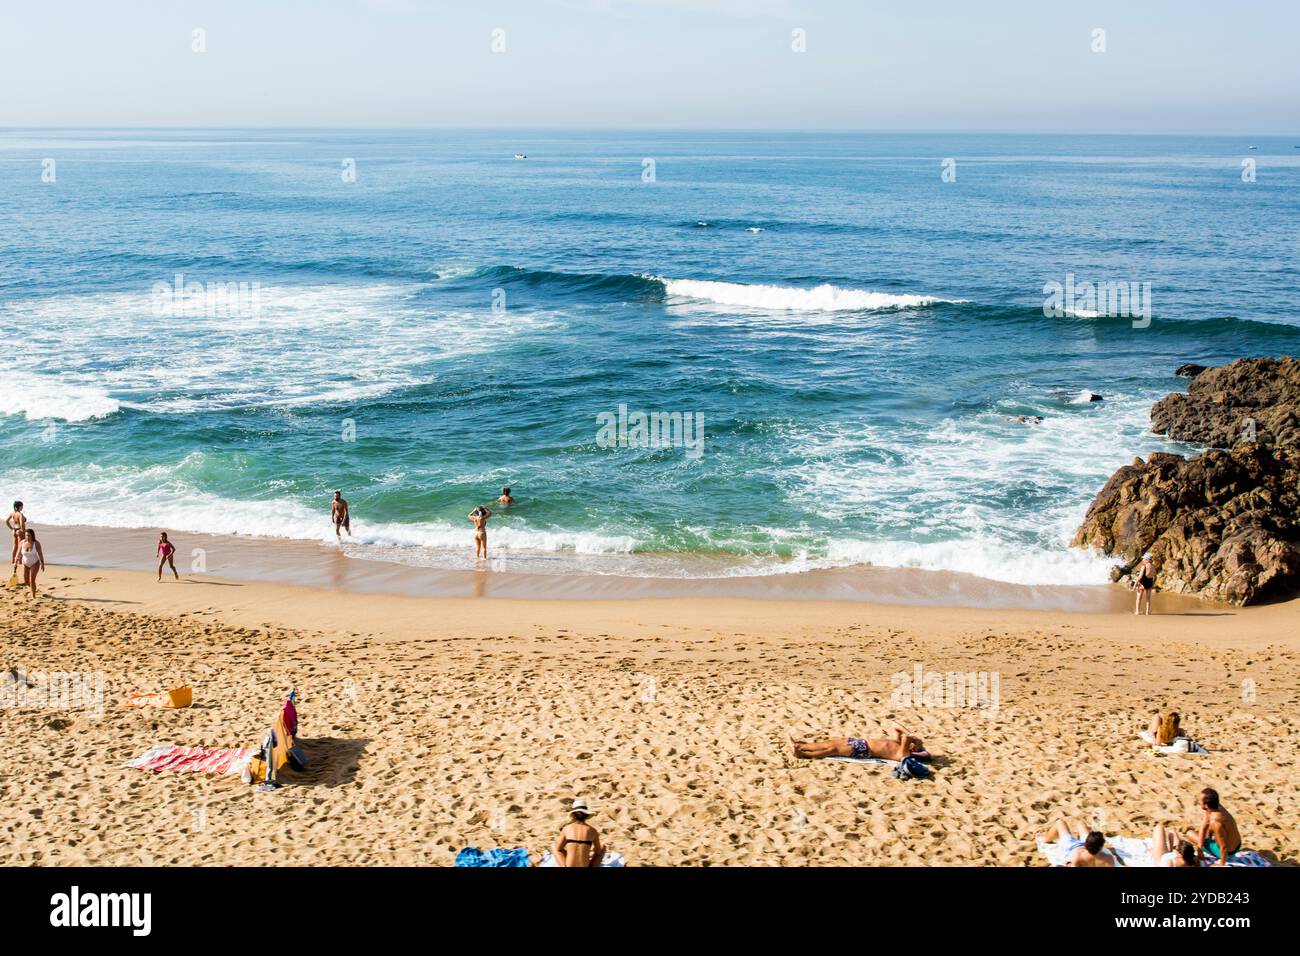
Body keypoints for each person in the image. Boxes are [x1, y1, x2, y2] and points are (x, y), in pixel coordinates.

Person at [789, 726, 931, 762]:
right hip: (860, 742)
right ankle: (801, 746)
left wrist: (913, 739)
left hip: (863, 749)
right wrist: (912, 735)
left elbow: (906, 738)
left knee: (831, 750)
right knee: (829, 743)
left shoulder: (902, 754)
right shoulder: (896, 743)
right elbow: (895, 727)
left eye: (916, 747)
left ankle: (803, 755)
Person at [1187, 787, 1241, 866]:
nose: (1198, 802)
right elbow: (1203, 828)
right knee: (1204, 833)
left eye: (1200, 801)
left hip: (1229, 854)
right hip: (1237, 844)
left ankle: (1212, 847)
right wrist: (1199, 849)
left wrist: (1221, 864)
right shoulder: (1216, 807)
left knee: (1190, 834)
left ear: (1206, 805)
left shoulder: (1215, 822)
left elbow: (1223, 847)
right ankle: (1209, 843)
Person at [1038, 818, 1116, 867]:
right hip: (1086, 847)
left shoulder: (1078, 856)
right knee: (1081, 824)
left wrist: (1068, 863)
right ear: (1101, 846)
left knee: (1060, 822)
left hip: (1071, 847)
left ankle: (1045, 839)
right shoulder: (1109, 859)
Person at [552, 798, 605, 868]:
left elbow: (559, 848)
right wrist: (588, 850)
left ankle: (563, 865)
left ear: (573, 815)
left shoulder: (567, 829)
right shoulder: (593, 831)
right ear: (586, 815)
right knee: (602, 847)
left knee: (554, 846)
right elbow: (598, 852)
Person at [18, 528, 44, 599]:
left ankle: (33, 596)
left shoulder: (36, 543)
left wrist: (42, 563)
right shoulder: (22, 542)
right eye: (26, 535)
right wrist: (16, 561)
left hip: (34, 563)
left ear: (32, 536)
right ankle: (33, 588)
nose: (27, 537)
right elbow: (19, 553)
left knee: (32, 580)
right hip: (25, 563)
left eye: (29, 535)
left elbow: (40, 553)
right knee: (26, 581)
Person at [7, 501, 26, 571]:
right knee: (20, 546)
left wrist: (11, 528)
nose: (22, 507)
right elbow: (21, 523)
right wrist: (23, 531)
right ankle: (20, 561)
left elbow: (6, 521)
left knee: (15, 546)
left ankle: (13, 560)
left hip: (14, 530)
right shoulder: (20, 514)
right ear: (20, 506)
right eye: (22, 506)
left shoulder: (13, 513)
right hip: (19, 530)